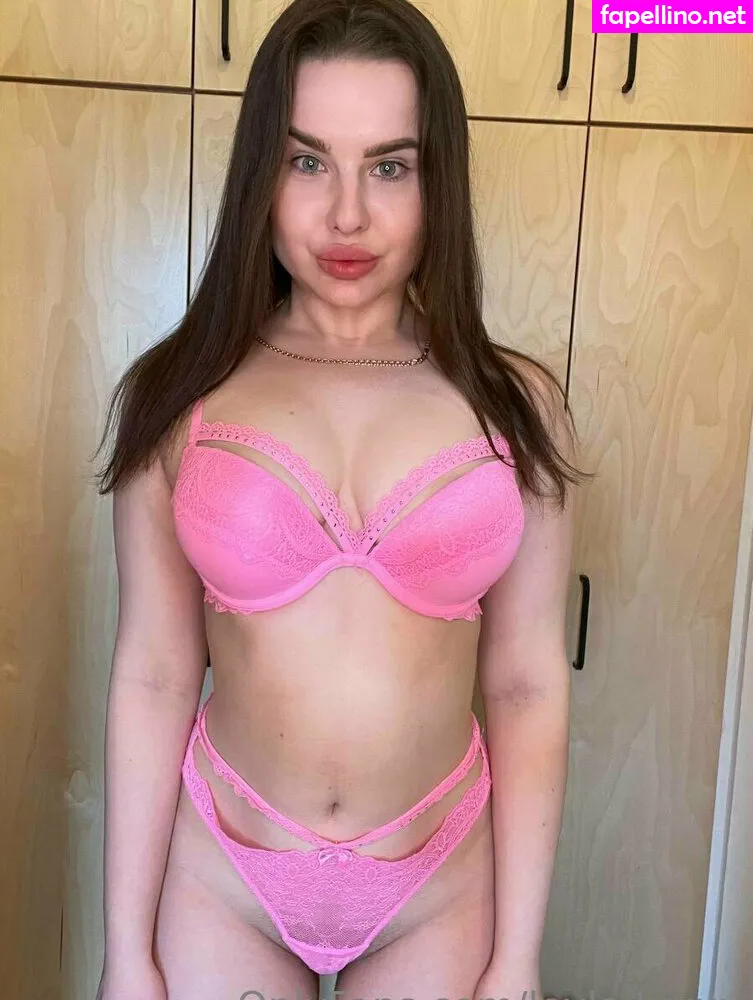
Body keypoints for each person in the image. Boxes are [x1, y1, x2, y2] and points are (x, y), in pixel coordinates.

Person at [92, 1, 587, 997]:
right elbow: (152, 673)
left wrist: (517, 961)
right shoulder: (177, 396)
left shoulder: (516, 408)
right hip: (224, 876)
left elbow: (526, 682)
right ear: (259, 175)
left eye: (390, 167)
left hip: (438, 885)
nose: (347, 215)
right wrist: (125, 954)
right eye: (306, 161)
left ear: (438, 181)